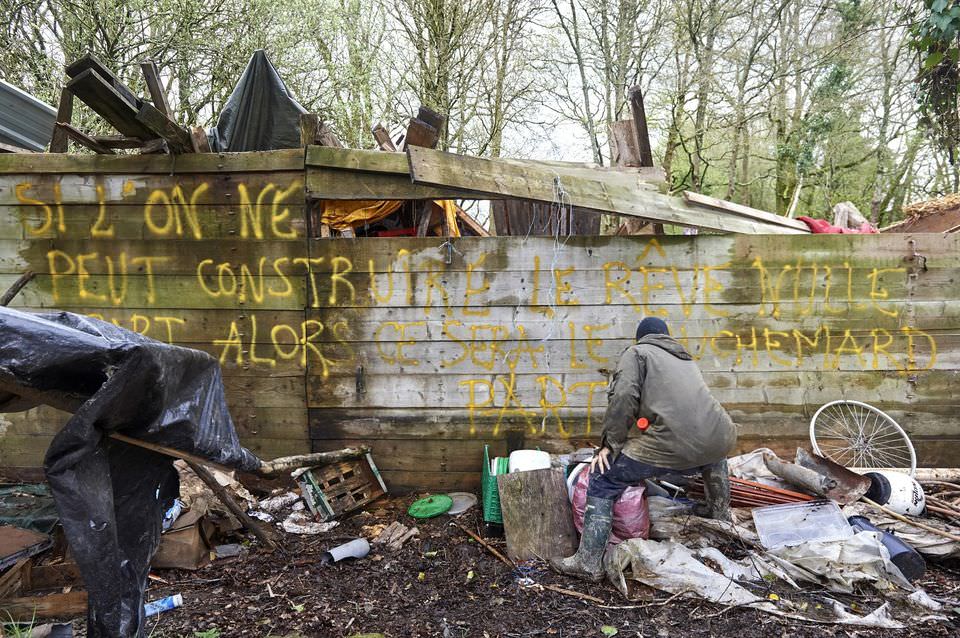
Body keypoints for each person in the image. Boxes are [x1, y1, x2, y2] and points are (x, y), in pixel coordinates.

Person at [550, 317, 737, 582]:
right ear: (666, 337)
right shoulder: (684, 359)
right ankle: (720, 518)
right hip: (722, 434)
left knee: (603, 478)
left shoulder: (637, 353)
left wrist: (609, 445)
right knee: (713, 454)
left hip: (675, 443)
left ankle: (588, 562)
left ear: (641, 338)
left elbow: (624, 398)